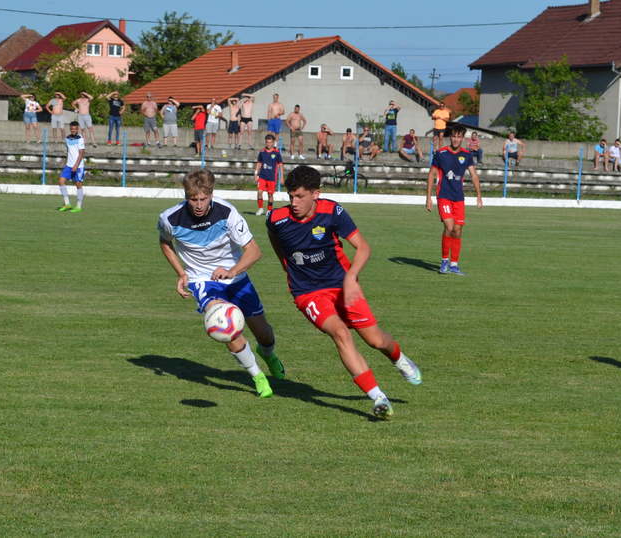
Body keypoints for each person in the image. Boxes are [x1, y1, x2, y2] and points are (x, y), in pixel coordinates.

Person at [266, 165, 423, 419]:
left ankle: (399, 358)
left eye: (300, 196)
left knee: (376, 341)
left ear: (315, 194)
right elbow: (279, 248)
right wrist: (292, 274)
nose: (293, 202)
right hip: (307, 292)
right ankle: (378, 397)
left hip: (343, 285)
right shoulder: (276, 219)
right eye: (290, 196)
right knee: (340, 333)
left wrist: (351, 279)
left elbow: (363, 247)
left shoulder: (332, 212)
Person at [158, 169, 285, 399]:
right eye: (193, 199)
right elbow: (165, 243)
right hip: (202, 281)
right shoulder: (170, 218)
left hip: (236, 277)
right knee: (224, 325)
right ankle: (257, 375)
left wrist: (231, 271)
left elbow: (254, 252)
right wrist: (182, 273)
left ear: (211, 194)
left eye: (203, 199)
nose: (198, 205)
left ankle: (268, 354)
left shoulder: (228, 213)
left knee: (264, 334)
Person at [425, 125, 483, 276]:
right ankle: (444, 261)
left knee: (458, 231)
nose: (456, 139)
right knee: (449, 227)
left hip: (459, 198)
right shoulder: (441, 153)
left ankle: (454, 264)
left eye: (459, 137)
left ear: (463, 138)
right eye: (454, 136)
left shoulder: (467, 155)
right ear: (450, 137)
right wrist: (428, 198)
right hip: (443, 195)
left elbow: (474, 175)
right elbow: (431, 174)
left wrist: (479, 196)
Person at [56, 121, 86, 213]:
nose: (73, 130)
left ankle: (78, 206)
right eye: (72, 129)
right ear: (70, 129)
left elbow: (81, 153)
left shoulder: (80, 138)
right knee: (61, 181)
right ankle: (67, 204)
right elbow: (69, 150)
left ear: (77, 129)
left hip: (78, 166)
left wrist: (76, 165)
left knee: (78, 185)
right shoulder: (67, 138)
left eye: (75, 129)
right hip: (69, 165)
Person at [254, 133, 283, 216]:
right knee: (259, 192)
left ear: (273, 142)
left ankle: (269, 210)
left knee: (270, 194)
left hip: (271, 177)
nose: (268, 144)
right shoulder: (262, 152)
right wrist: (256, 174)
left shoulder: (276, 153)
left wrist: (281, 177)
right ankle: (260, 208)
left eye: (270, 142)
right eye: (267, 142)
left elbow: (280, 165)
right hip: (262, 176)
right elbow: (259, 163)